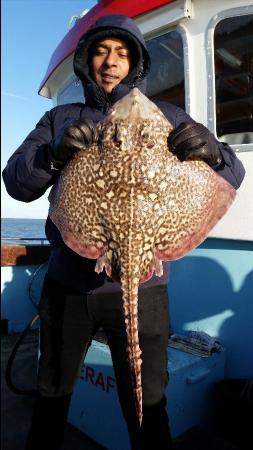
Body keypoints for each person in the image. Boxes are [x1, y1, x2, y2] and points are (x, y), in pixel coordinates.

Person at [2, 14, 245, 450]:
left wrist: (213, 153)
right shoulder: (60, 119)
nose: (111, 62)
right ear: (87, 61)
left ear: (135, 62)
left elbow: (233, 169)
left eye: (122, 52)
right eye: (101, 50)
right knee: (52, 395)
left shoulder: (169, 117)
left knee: (149, 405)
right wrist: (54, 155)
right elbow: (16, 182)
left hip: (144, 288)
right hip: (68, 288)